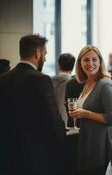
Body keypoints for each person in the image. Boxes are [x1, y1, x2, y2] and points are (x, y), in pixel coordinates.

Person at [0, 34, 65, 175]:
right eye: (45, 54)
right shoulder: (41, 80)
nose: (45, 58)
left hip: (7, 155)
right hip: (35, 157)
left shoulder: (4, 79)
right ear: (38, 53)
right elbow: (52, 119)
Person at [68, 45, 112, 175]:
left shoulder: (105, 83)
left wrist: (85, 114)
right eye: (86, 60)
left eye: (94, 59)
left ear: (100, 62)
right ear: (80, 63)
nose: (90, 63)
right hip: (89, 142)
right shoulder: (88, 82)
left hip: (100, 145)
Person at [51, 53, 75, 127]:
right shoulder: (74, 84)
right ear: (73, 66)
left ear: (59, 65)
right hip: (69, 124)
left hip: (51, 123)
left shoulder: (48, 81)